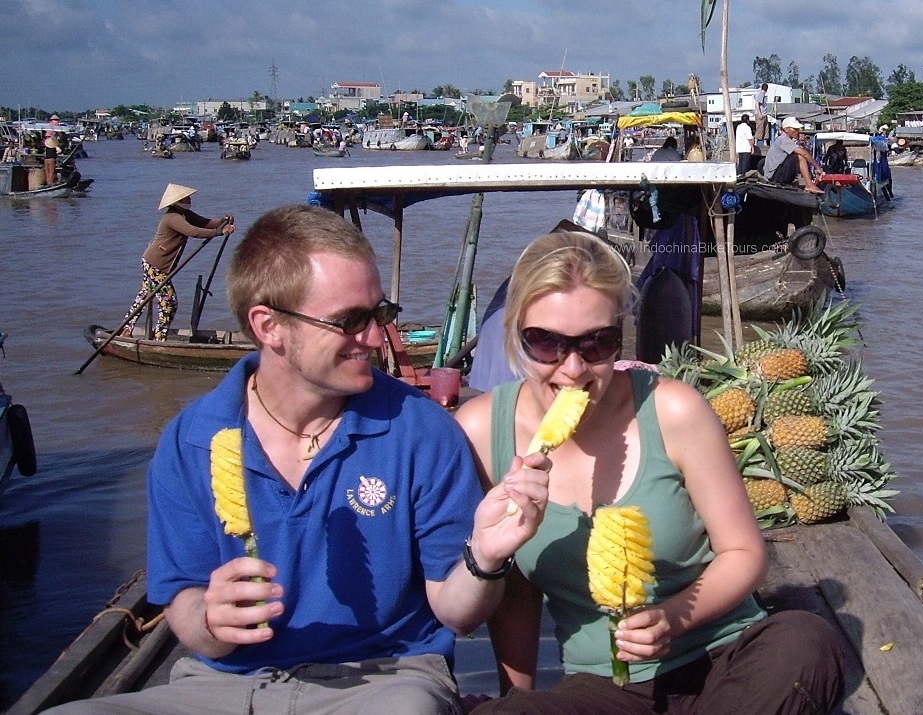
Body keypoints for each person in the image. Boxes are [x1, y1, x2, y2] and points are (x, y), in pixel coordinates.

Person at [49, 205, 551, 715]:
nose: (376, 337)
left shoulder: (421, 431)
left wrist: (484, 560)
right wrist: (210, 618)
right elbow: (184, 600)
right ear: (269, 327)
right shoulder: (193, 439)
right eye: (350, 321)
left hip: (382, 679)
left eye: (380, 313)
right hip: (221, 683)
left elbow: (458, 614)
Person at [456, 231, 845, 714]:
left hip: (723, 660)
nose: (573, 368)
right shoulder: (480, 432)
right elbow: (515, 596)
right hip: (604, 687)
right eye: (546, 342)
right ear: (516, 332)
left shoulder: (673, 411)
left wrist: (673, 618)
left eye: (598, 343)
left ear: (622, 332)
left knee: (806, 639)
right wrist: (517, 698)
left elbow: (744, 552)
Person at [122, 184, 236, 341]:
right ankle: (159, 338)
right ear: (177, 202)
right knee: (169, 303)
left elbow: (205, 223)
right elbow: (193, 231)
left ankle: (126, 329)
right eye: (186, 198)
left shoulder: (185, 214)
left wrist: (222, 221)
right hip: (156, 265)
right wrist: (218, 232)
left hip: (155, 264)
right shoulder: (173, 218)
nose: (189, 200)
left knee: (144, 296)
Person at [763, 116, 823, 193]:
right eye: (794, 129)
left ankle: (808, 182)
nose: (797, 131)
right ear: (786, 129)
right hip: (774, 177)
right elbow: (804, 153)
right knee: (800, 156)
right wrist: (817, 167)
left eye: (797, 129)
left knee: (797, 156)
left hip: (776, 174)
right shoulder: (783, 139)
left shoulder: (786, 140)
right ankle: (809, 185)